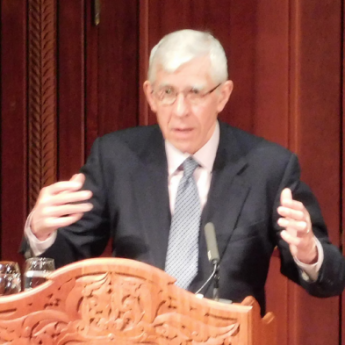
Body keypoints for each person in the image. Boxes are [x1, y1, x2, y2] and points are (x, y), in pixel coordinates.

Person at [22, 29, 345, 315]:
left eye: (194, 93)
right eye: (167, 93)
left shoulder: (269, 168)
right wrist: (40, 233)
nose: (180, 110)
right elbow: (64, 261)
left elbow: (331, 279)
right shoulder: (116, 157)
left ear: (222, 95)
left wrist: (307, 252)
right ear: (150, 94)